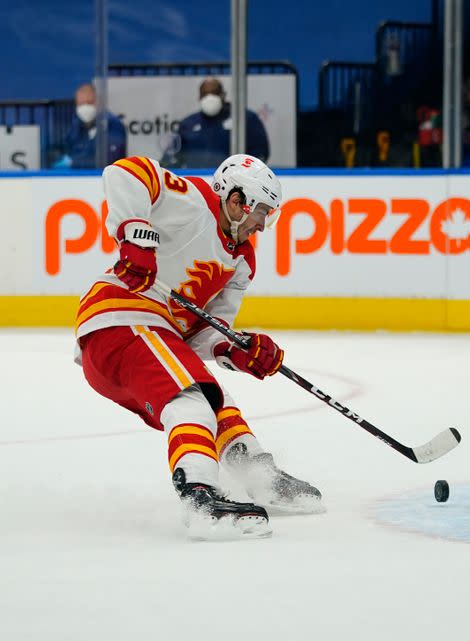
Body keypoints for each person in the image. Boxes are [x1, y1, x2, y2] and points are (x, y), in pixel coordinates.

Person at [74, 153, 322, 538]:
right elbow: (124, 172)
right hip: (121, 320)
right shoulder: (194, 200)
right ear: (237, 200)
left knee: (215, 398)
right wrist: (135, 234)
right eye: (261, 212)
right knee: (190, 397)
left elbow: (207, 331)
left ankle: (258, 474)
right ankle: (200, 497)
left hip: (156, 333)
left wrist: (239, 349)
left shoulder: (242, 262)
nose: (262, 224)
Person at [164, 77, 270, 168]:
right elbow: (172, 158)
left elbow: (260, 153)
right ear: (199, 97)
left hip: (234, 184)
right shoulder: (188, 124)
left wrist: (245, 174)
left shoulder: (244, 119)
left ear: (223, 95)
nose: (209, 97)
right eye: (205, 94)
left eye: (214, 93)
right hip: (197, 182)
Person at [54, 83, 127, 169]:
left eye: (89, 103)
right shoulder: (76, 126)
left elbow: (109, 160)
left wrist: (73, 162)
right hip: (79, 179)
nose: (85, 107)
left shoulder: (112, 125)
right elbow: (68, 150)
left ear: (98, 102)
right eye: (81, 104)